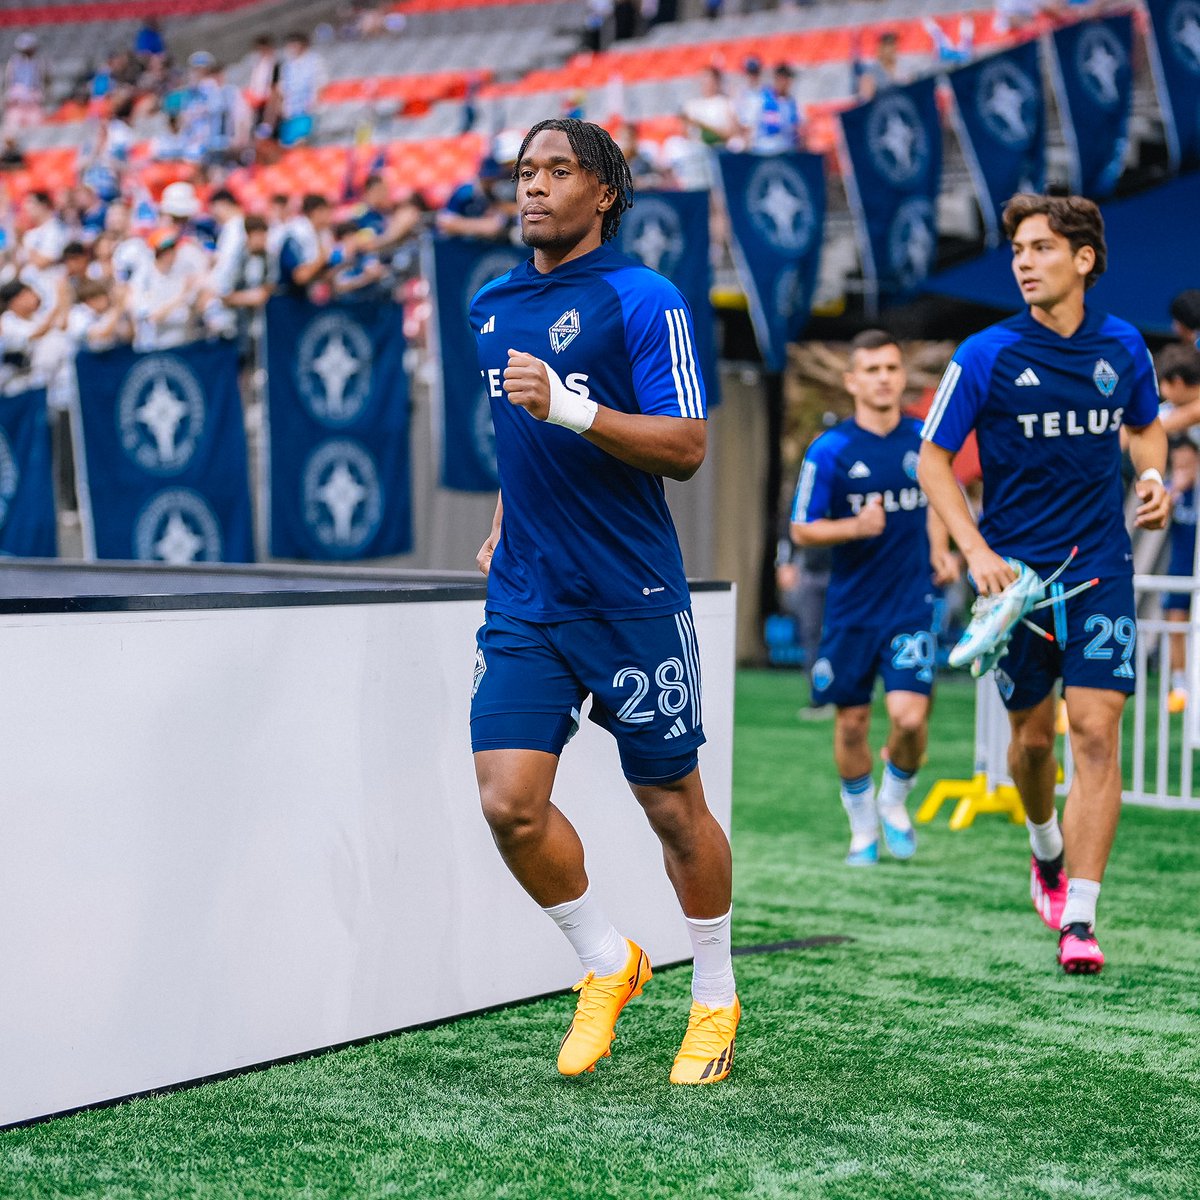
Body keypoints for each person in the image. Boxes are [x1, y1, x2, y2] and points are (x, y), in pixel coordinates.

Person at [468, 118, 738, 1085]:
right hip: (527, 596)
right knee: (509, 805)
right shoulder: (492, 304)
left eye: (557, 170)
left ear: (605, 192)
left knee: (672, 807)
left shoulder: (644, 297)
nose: (534, 187)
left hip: (631, 595)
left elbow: (688, 446)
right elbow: (522, 439)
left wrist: (572, 406)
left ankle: (715, 997)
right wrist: (506, 514)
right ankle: (606, 959)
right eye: (524, 172)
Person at [918, 193, 1169, 975]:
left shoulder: (1124, 345)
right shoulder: (985, 353)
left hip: (1100, 569)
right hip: (1015, 586)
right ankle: (1045, 846)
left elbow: (1146, 425)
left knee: (1095, 733)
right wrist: (975, 550)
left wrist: (1152, 475)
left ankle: (1081, 918)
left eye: (1041, 248)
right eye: (1019, 250)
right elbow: (932, 460)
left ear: (1084, 259)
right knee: (1032, 743)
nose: (1023, 263)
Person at [790, 330, 958, 864]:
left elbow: (939, 499)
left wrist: (941, 549)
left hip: (911, 602)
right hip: (851, 610)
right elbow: (801, 528)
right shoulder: (831, 449)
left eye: (891, 368)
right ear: (852, 381)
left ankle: (894, 798)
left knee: (910, 719)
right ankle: (862, 827)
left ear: (901, 376)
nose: (883, 378)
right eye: (872, 370)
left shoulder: (924, 439)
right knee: (852, 723)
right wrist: (854, 527)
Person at [1162, 438, 1198, 714]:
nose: (1184, 469)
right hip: (1179, 567)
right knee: (1175, 623)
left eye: (1188, 463)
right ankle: (1179, 685)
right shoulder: (1169, 490)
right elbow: (1157, 518)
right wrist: (1176, 488)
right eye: (1178, 464)